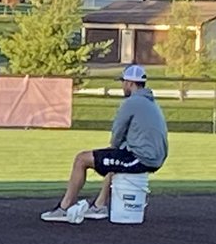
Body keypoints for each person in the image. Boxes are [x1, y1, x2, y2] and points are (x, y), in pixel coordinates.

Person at [40, 64, 169, 222]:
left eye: (123, 82)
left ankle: (64, 208)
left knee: (81, 159)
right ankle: (99, 205)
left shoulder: (131, 102)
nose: (122, 86)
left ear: (130, 83)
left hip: (142, 158)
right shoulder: (151, 103)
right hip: (152, 156)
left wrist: (111, 149)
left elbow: (117, 133)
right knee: (115, 160)